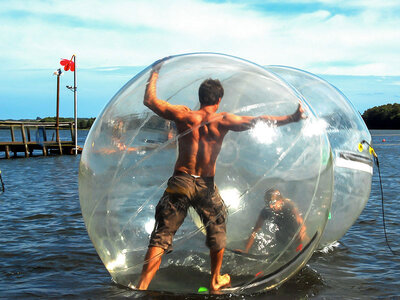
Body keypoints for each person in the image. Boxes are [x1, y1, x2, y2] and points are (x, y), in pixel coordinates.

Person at [136, 58, 306, 291]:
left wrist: (154, 72)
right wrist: (291, 118)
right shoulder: (222, 120)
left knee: (162, 235)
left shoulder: (184, 116)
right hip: (205, 185)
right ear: (218, 100)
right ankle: (215, 279)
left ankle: (142, 285)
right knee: (218, 226)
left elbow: (150, 100)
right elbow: (258, 121)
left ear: (201, 97)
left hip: (181, 181)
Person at [234, 188, 308, 255]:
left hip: (294, 229)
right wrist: (246, 250)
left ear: (280, 201)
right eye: (268, 203)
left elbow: (299, 219)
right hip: (282, 234)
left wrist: (302, 229)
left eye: (273, 203)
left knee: (302, 241)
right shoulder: (266, 210)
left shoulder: (288, 204)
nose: (270, 207)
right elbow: (255, 230)